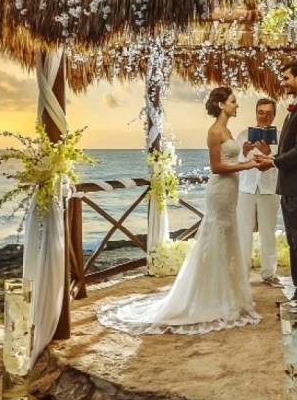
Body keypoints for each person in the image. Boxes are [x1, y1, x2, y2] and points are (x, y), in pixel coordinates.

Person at [98, 87, 261, 335]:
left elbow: (230, 158)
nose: (236, 105)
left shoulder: (228, 131)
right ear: (220, 105)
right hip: (219, 191)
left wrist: (244, 151)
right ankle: (210, 298)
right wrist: (247, 164)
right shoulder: (214, 131)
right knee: (215, 239)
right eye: (233, 101)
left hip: (231, 193)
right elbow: (217, 167)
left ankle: (226, 294)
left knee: (228, 240)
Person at [255, 62, 297, 305]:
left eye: (286, 78)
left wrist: (272, 162)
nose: (283, 83)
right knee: (295, 242)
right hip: (291, 188)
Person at [236, 98, 281, 287]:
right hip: (246, 188)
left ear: (274, 115)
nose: (264, 116)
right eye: (261, 112)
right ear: (256, 113)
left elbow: (283, 164)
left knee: (268, 232)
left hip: (269, 190)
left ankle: (269, 273)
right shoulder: (243, 135)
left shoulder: (280, 137)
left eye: (268, 113)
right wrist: (244, 151)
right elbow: (235, 163)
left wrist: (270, 153)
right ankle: (241, 273)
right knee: (243, 232)